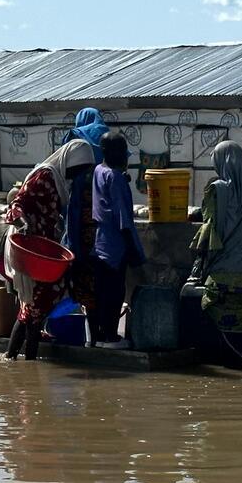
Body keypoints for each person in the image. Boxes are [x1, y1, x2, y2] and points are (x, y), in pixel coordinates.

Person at [2, 139, 95, 360]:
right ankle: (24, 361)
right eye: (78, 170)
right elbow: (19, 202)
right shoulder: (44, 176)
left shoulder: (60, 179)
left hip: (46, 251)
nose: (78, 175)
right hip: (30, 249)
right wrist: (21, 221)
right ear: (69, 162)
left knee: (34, 307)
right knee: (35, 306)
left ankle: (15, 359)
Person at [189, 140, 242, 370]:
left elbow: (210, 231)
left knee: (223, 319)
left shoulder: (217, 190)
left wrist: (199, 265)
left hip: (226, 269)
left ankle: (235, 365)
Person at [90, 132, 145, 347]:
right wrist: (134, 252)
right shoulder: (115, 177)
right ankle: (112, 337)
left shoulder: (98, 170)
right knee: (115, 293)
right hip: (115, 245)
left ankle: (100, 337)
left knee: (102, 293)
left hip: (100, 242)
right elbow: (123, 220)